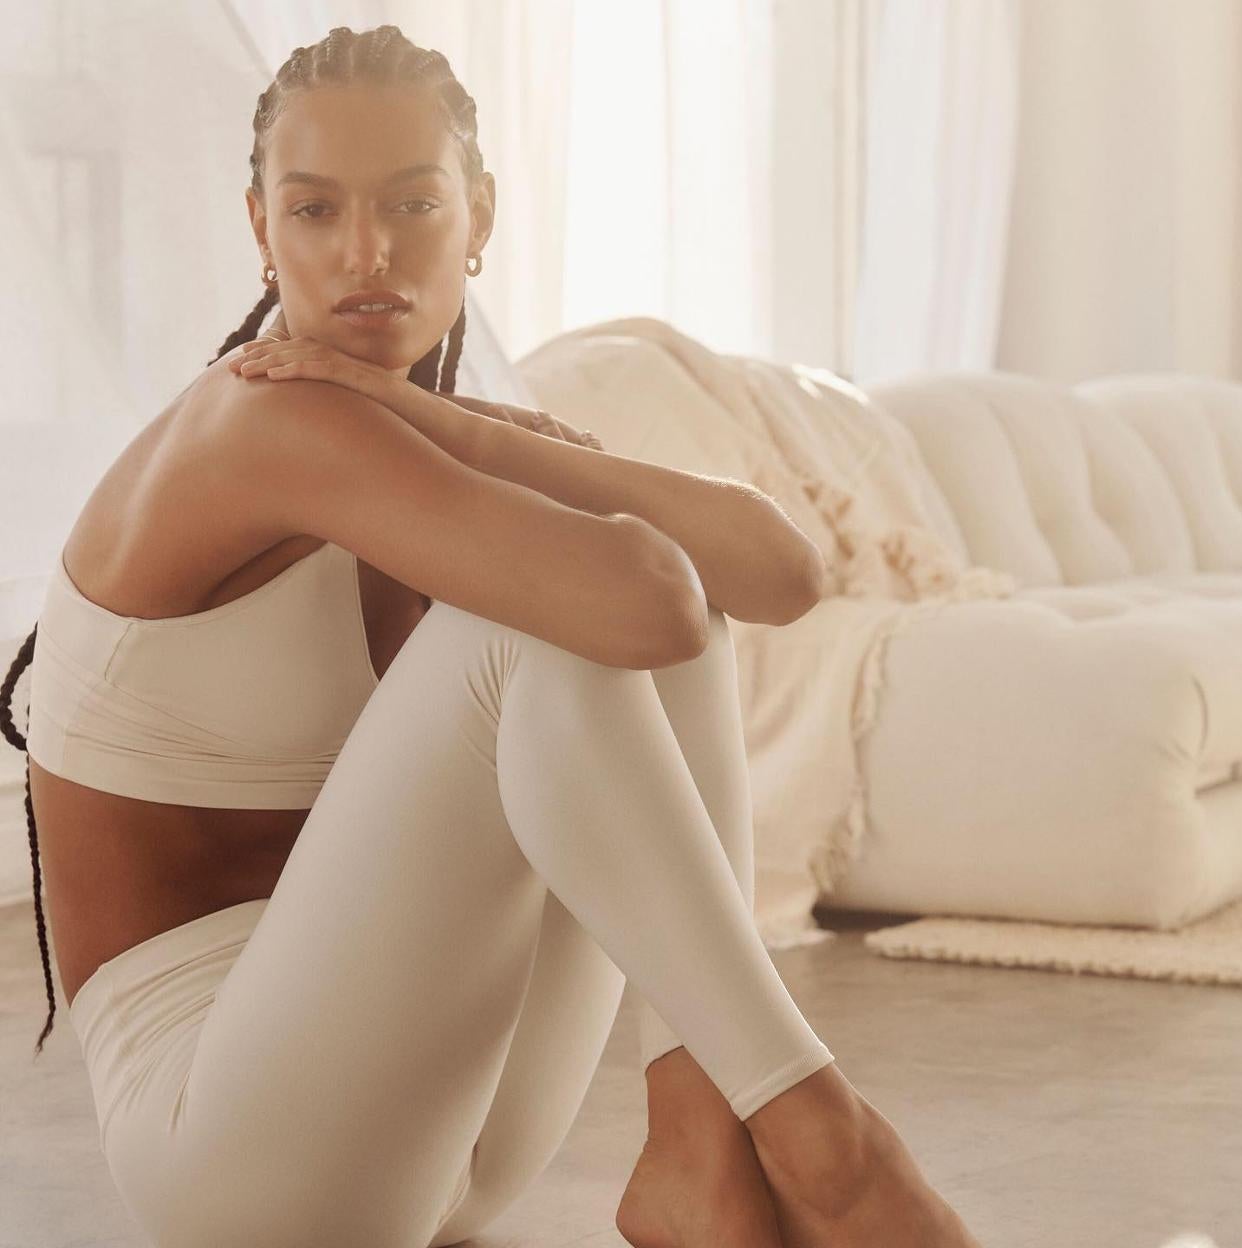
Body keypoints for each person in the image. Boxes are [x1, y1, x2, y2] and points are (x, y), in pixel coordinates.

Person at [0, 23, 983, 1248]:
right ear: (260, 226)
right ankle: (820, 1138)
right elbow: (648, 600)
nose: (367, 253)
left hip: (442, 1134)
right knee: (541, 622)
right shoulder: (249, 428)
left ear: (481, 213)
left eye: (414, 202)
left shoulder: (432, 437)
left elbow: (776, 573)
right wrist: (479, 443)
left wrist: (456, 424)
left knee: (599, 597)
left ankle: (696, 1146)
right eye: (315, 211)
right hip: (232, 1150)